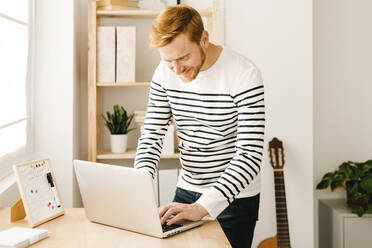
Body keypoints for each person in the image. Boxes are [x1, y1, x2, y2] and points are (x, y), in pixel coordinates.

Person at [134, 4, 265, 247]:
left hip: (234, 199)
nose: (177, 69)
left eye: (183, 57)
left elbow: (249, 156)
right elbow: (151, 136)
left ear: (204, 39)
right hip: (187, 189)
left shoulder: (243, 74)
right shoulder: (165, 72)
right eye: (168, 60)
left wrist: (203, 207)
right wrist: (139, 185)